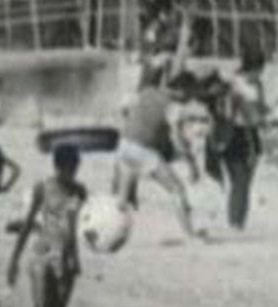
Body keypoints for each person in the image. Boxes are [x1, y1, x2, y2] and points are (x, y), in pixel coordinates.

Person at [6, 144, 86, 307]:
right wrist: (14, 259)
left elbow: (84, 226)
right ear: (58, 167)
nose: (71, 173)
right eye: (68, 169)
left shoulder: (81, 192)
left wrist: (77, 257)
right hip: (42, 253)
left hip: (67, 258)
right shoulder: (43, 187)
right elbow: (28, 223)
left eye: (75, 168)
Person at [114, 80, 201, 240]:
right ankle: (190, 234)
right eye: (188, 93)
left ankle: (112, 232)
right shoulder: (173, 107)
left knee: (122, 201)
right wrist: (191, 163)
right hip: (143, 149)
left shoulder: (147, 91)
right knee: (177, 189)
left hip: (124, 144)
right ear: (179, 90)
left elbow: (125, 110)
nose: (189, 98)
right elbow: (177, 139)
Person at [216, 42, 269, 231]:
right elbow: (232, 112)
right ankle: (234, 223)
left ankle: (239, 223)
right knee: (240, 181)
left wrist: (262, 113)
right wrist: (254, 115)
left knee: (245, 183)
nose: (260, 73)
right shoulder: (235, 84)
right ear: (252, 67)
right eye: (259, 69)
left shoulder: (257, 84)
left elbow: (260, 108)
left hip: (251, 135)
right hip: (234, 134)